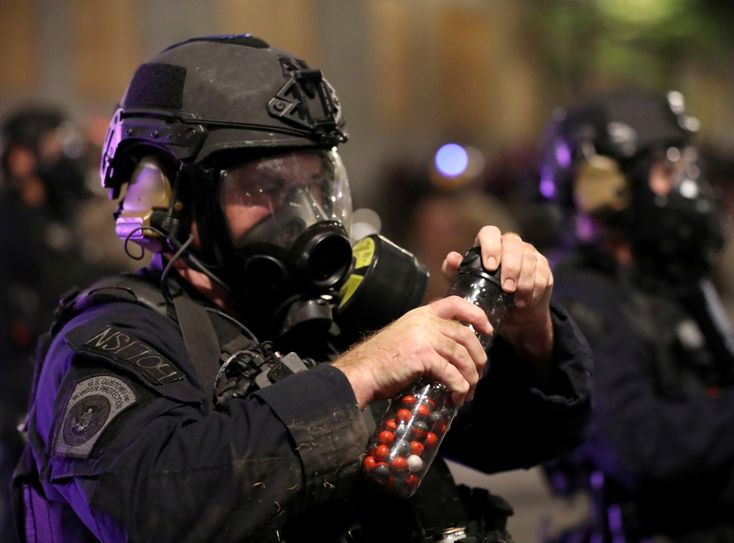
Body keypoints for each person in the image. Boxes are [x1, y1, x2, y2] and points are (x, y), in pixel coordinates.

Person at [13, 34, 592, 542]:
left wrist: (528, 338)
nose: (302, 213)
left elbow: (518, 442)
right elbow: (155, 510)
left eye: (316, 184)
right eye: (263, 187)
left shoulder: (324, 319)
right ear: (168, 198)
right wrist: (358, 376)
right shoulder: (109, 341)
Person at [536, 90, 734, 542]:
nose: (685, 186)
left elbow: (727, 368)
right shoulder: (580, 301)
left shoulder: (658, 281)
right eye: (666, 170)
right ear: (606, 189)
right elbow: (640, 443)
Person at [0, 105, 125, 543]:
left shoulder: (61, 215)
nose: (63, 155)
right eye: (52, 144)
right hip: (12, 399)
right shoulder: (9, 222)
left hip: (51, 389)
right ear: (21, 157)